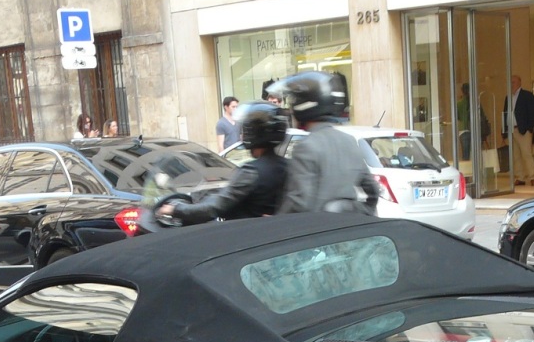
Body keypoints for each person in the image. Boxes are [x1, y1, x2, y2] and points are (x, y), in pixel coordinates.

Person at [151, 102, 289, 227]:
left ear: (252, 131)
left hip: (245, 240)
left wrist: (174, 209)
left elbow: (213, 208)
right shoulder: (289, 166)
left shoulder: (251, 172)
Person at [270, 72, 379, 215]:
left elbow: (299, 203)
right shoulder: (349, 141)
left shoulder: (306, 146)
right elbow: (373, 190)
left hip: (318, 229)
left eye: (294, 101)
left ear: (303, 105)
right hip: (349, 228)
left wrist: (275, 224)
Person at [505, 75, 534, 186]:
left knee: (526, 153)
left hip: (523, 130)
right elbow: (505, 114)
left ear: (519, 83)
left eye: (513, 82)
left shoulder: (527, 95)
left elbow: (532, 113)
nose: (511, 84)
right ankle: (520, 177)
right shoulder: (508, 97)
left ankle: (532, 176)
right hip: (512, 129)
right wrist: (504, 130)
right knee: (516, 155)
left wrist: (530, 128)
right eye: (510, 82)